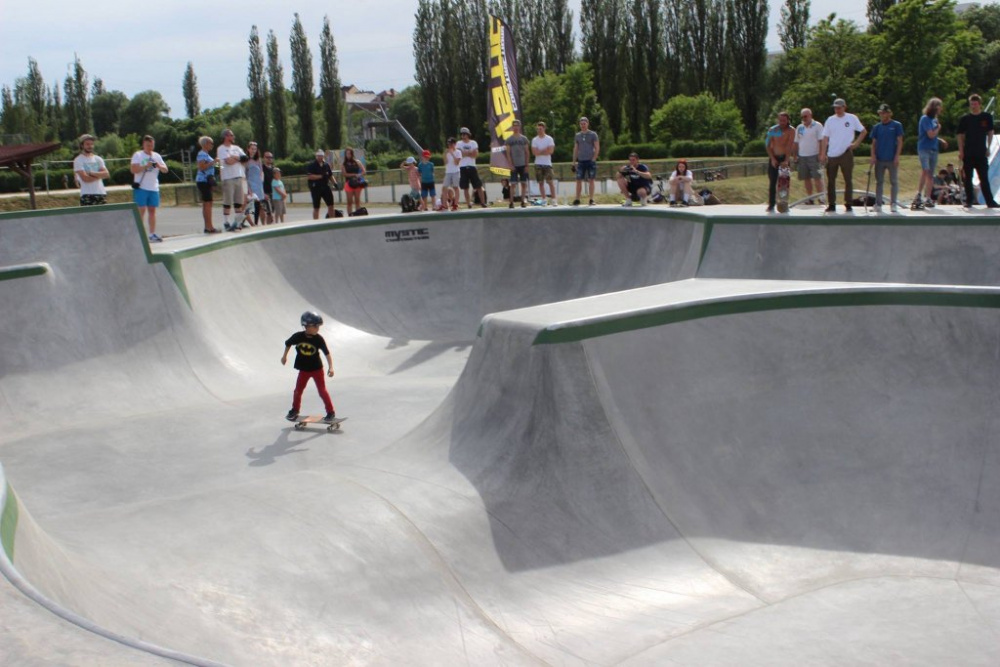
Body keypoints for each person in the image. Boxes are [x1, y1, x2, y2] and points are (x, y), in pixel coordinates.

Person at [281, 310, 336, 423]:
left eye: (318, 326)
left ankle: (330, 412)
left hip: (317, 370)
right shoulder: (298, 337)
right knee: (297, 391)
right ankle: (295, 410)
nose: (317, 329)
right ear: (306, 326)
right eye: (315, 326)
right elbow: (288, 343)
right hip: (304, 370)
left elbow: (327, 353)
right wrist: (284, 356)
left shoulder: (319, 339)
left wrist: (331, 367)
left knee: (322, 391)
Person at [820, 98, 867, 213]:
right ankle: (832, 203)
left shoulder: (851, 118)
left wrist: (856, 144)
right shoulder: (830, 120)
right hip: (832, 153)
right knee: (831, 180)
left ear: (844, 107)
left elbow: (863, 131)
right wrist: (822, 153)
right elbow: (825, 137)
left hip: (846, 152)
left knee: (848, 179)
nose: (837, 110)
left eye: (839, 107)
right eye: (835, 108)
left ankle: (848, 203)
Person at [957, 93, 1000, 209]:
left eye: (975, 104)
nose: (973, 106)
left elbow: (990, 132)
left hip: (981, 152)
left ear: (979, 104)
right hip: (968, 152)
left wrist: (989, 147)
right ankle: (969, 200)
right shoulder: (965, 119)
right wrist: (961, 151)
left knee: (984, 178)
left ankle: (990, 201)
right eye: (971, 104)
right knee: (968, 178)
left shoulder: (986, 117)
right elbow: (960, 135)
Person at [130, 135, 168, 242]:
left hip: (153, 187)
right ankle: (139, 234)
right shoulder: (138, 155)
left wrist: (159, 166)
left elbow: (165, 170)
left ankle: (152, 234)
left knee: (152, 210)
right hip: (141, 187)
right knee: (141, 210)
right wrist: (145, 166)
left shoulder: (157, 156)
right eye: (147, 145)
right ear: (143, 145)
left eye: (151, 145)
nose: (150, 147)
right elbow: (133, 170)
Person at [868, 103, 904, 213]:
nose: (882, 115)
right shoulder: (877, 127)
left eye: (884, 113)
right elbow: (874, 143)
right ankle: (878, 203)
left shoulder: (896, 125)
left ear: (889, 113)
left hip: (891, 158)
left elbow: (899, 141)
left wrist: (897, 156)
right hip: (880, 158)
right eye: (881, 113)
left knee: (893, 181)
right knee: (879, 182)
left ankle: (893, 203)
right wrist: (873, 155)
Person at [913, 97, 946, 210]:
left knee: (930, 174)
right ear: (935, 107)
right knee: (925, 171)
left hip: (933, 149)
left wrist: (940, 140)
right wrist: (938, 128)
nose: (941, 109)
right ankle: (918, 194)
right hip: (924, 149)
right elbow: (930, 134)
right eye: (939, 106)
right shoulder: (925, 119)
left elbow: (934, 136)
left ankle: (928, 197)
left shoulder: (934, 120)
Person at [217, 129, 247, 230]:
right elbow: (228, 161)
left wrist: (235, 157)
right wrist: (238, 159)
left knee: (238, 202)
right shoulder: (221, 149)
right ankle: (226, 222)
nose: (233, 137)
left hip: (238, 176)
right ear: (226, 136)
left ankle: (237, 222)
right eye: (231, 135)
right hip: (228, 178)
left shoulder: (236, 148)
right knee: (228, 201)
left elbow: (245, 159)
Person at [765, 111, 796, 212]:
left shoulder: (791, 130)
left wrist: (787, 160)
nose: (782, 122)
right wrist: (773, 159)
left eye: (784, 120)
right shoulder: (773, 130)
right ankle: (771, 204)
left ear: (788, 120)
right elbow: (767, 145)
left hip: (784, 157)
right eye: (780, 120)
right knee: (772, 181)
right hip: (774, 157)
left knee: (784, 182)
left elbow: (789, 145)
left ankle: (783, 204)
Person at [793, 108, 824, 205]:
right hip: (802, 156)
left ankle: (821, 198)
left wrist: (821, 153)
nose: (804, 118)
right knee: (806, 178)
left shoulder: (817, 126)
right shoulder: (799, 127)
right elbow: (796, 142)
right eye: (802, 117)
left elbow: (821, 140)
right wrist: (795, 155)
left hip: (814, 155)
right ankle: (810, 198)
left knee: (817, 178)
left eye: (805, 116)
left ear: (810, 115)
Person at [73, 133, 109, 207]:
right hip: (87, 195)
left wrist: (91, 173)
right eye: (87, 144)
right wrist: (100, 175)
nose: (90, 146)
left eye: (92, 144)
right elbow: (85, 178)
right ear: (82, 145)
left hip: (101, 193)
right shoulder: (78, 160)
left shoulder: (98, 159)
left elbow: (106, 174)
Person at [194, 136, 220, 233]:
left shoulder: (206, 155)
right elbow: (201, 167)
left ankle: (207, 226)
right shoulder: (202, 154)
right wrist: (214, 162)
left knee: (207, 203)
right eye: (211, 143)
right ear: (205, 144)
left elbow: (212, 166)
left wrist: (216, 163)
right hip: (203, 180)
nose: (212, 145)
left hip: (206, 181)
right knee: (208, 203)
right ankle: (209, 227)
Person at [572, 116, 600, 206]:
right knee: (578, 179)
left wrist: (594, 158)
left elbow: (597, 147)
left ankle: (591, 199)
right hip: (581, 161)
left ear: (587, 124)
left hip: (590, 160)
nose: (583, 125)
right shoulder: (578, 135)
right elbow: (576, 148)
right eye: (581, 124)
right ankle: (577, 199)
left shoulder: (593, 134)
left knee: (591, 180)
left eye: (584, 123)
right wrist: (573, 162)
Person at [504, 119, 531, 208]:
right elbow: (508, 153)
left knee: (523, 183)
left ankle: (523, 201)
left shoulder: (524, 139)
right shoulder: (509, 140)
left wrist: (527, 165)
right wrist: (510, 164)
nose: (515, 127)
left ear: (519, 127)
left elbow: (527, 152)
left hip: (523, 164)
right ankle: (511, 202)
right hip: (514, 165)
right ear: (512, 127)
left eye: (517, 125)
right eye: (514, 126)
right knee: (513, 184)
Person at [456, 127, 486, 208]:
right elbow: (460, 154)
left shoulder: (473, 143)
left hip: (472, 166)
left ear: (468, 134)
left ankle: (482, 202)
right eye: (462, 134)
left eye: (465, 134)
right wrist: (469, 153)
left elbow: (475, 155)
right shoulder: (459, 143)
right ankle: (468, 203)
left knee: (478, 185)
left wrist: (466, 153)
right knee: (465, 187)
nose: (463, 136)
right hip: (463, 167)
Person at [306, 150, 338, 220]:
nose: (320, 157)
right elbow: (310, 176)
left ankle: (332, 221)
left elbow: (330, 175)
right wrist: (320, 176)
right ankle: (316, 222)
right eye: (319, 156)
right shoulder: (312, 165)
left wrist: (335, 183)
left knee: (331, 205)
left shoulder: (326, 165)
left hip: (325, 186)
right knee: (316, 207)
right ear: (316, 156)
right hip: (316, 188)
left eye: (321, 156)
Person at [532, 121, 557, 206]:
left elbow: (550, 151)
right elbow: (534, 152)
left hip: (547, 164)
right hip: (538, 163)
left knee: (550, 182)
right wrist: (544, 150)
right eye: (538, 129)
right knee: (540, 182)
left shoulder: (549, 139)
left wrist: (540, 151)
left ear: (544, 129)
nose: (539, 130)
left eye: (541, 129)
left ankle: (554, 199)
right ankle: (544, 199)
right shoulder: (534, 140)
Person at [245, 142, 265, 226]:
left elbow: (261, 171)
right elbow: (245, 175)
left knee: (258, 204)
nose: (253, 151)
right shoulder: (246, 160)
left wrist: (261, 180)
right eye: (252, 149)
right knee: (249, 206)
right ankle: (242, 222)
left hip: (258, 184)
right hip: (250, 184)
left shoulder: (258, 160)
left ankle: (256, 222)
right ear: (248, 149)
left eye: (255, 149)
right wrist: (248, 189)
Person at [342, 147, 366, 216]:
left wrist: (359, 175)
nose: (348, 155)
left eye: (350, 153)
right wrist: (354, 174)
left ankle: (358, 215)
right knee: (349, 202)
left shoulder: (357, 162)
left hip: (357, 183)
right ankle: (350, 215)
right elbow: (344, 174)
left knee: (357, 201)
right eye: (347, 154)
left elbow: (364, 171)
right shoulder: (344, 164)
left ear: (352, 154)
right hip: (349, 183)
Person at [442, 137, 461, 211]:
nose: (449, 145)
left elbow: (457, 163)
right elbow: (445, 162)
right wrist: (445, 154)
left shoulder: (458, 152)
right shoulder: (446, 152)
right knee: (444, 188)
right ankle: (444, 205)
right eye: (448, 144)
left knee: (456, 187)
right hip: (448, 172)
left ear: (454, 144)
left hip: (455, 171)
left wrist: (452, 153)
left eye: (451, 144)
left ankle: (455, 204)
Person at [261, 150, 275, 224]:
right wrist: (262, 193)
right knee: (268, 213)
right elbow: (260, 182)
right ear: (264, 158)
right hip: (265, 193)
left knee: (272, 212)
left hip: (273, 193)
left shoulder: (273, 169)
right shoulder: (261, 168)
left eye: (271, 157)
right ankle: (266, 227)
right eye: (267, 157)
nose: (269, 159)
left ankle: (270, 226)